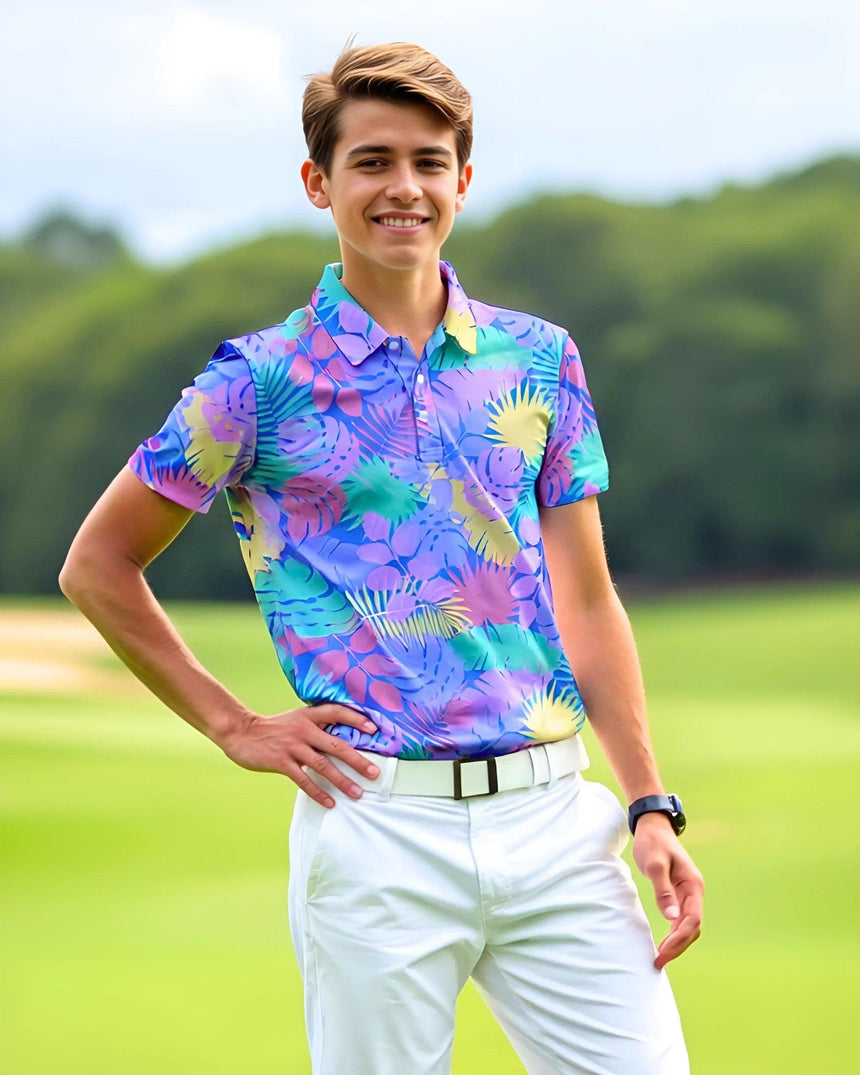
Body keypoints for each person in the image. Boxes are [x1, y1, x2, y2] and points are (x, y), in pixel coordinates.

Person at [60, 41, 703, 1075]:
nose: (402, 187)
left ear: (460, 181)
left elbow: (585, 596)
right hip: (375, 828)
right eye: (370, 161)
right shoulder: (255, 383)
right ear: (319, 182)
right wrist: (231, 724)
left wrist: (646, 803)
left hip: (554, 819)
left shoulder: (538, 357)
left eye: (427, 161)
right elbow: (98, 563)